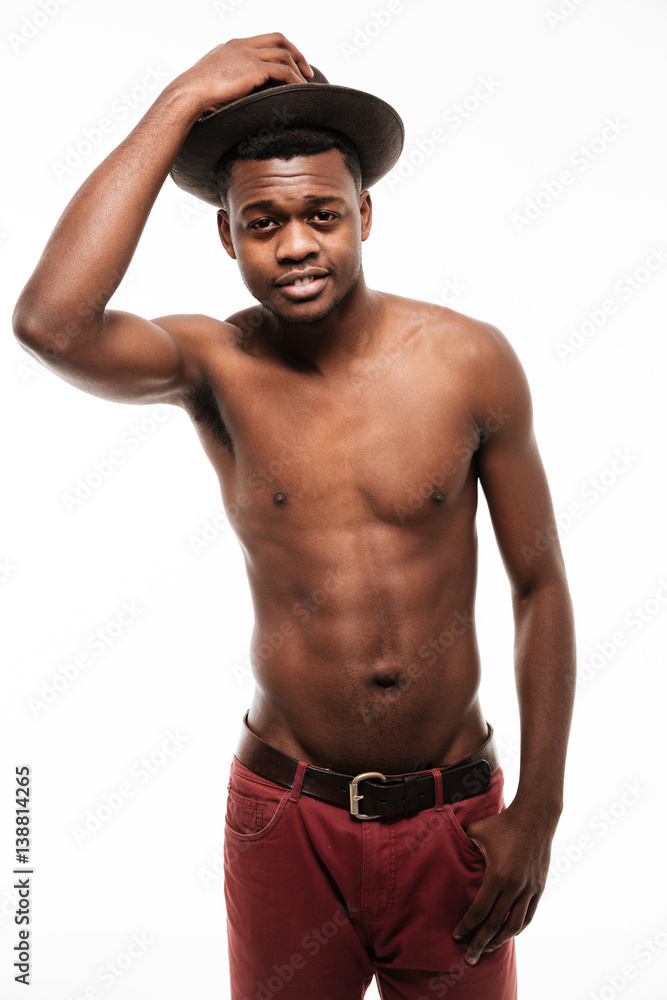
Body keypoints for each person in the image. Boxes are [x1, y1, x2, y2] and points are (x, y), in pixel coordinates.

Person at [12, 33, 576, 1000]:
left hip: (455, 817)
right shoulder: (213, 366)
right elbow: (50, 323)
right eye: (263, 223)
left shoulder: (470, 361)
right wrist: (182, 95)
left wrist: (540, 812)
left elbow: (539, 586)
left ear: (362, 212)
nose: (297, 245)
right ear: (228, 237)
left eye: (321, 214)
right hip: (286, 813)